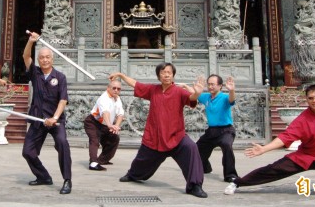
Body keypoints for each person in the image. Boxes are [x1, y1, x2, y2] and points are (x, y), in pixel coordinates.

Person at [110, 63, 208, 198]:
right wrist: (121, 75)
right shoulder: (153, 89)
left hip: (176, 136)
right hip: (155, 137)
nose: (166, 75)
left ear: (173, 75)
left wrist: (196, 93)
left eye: (169, 72)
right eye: (163, 72)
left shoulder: (179, 91)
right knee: (141, 161)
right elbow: (136, 84)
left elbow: (191, 99)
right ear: (158, 76)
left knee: (191, 148)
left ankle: (195, 186)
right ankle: (133, 175)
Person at [22, 31, 72, 195]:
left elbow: (63, 100)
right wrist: (31, 42)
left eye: (47, 57)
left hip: (56, 120)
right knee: (28, 152)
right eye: (41, 57)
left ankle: (67, 180)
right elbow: (25, 57)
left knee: (62, 144)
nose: (44, 60)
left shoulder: (60, 77)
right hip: (38, 118)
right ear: (38, 60)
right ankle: (43, 176)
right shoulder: (35, 74)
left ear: (52, 59)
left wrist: (54, 118)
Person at [196, 74, 238, 182]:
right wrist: (184, 86)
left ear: (220, 86)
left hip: (226, 130)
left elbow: (231, 100)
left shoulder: (224, 97)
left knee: (226, 145)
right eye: (209, 84)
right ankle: (206, 168)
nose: (210, 87)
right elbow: (194, 93)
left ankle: (230, 175)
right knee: (197, 148)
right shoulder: (206, 97)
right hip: (211, 131)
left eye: (213, 84)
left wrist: (232, 90)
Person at [83, 79, 125, 171]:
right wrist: (110, 125)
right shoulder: (104, 98)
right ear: (108, 88)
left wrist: (116, 127)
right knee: (94, 140)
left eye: (119, 89)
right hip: (93, 122)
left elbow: (120, 114)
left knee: (114, 138)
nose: (116, 90)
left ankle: (102, 160)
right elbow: (105, 112)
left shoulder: (117, 98)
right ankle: (93, 163)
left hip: (104, 125)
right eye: (114, 88)